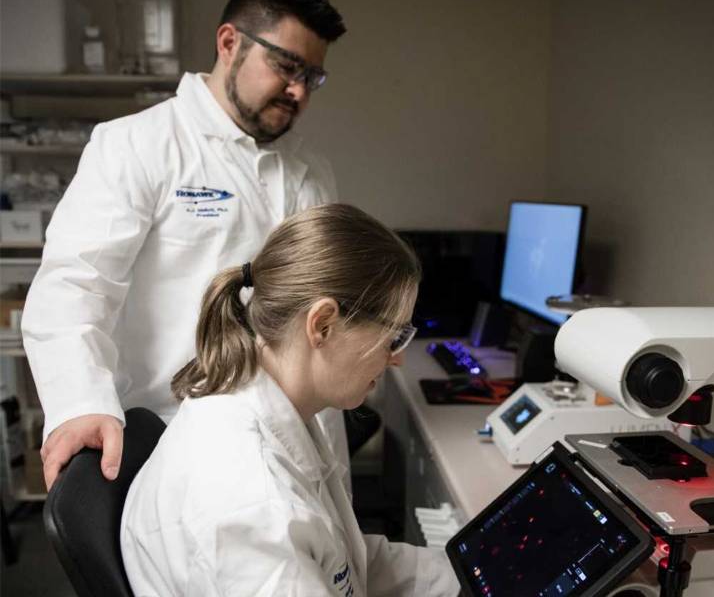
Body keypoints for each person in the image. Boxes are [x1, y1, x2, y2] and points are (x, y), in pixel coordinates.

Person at [21, 0, 349, 490]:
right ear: (229, 43)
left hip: (299, 445)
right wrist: (80, 404)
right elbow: (75, 286)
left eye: (313, 77)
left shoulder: (312, 171)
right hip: (180, 447)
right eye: (286, 66)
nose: (299, 90)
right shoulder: (137, 145)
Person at [120, 203, 460, 596]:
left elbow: (344, 561)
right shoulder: (253, 501)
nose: (396, 357)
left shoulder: (259, 405)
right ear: (323, 325)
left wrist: (470, 574)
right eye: (392, 336)